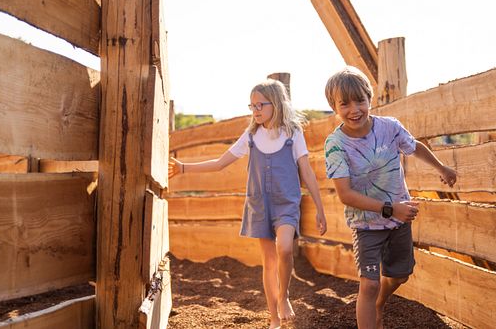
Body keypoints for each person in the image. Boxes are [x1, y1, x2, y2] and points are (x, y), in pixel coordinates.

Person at [169, 79, 327, 329]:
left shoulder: (292, 133)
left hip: (286, 203)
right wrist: (184, 168)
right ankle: (274, 318)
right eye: (251, 105)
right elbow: (221, 163)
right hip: (259, 206)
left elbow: (306, 171)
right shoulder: (252, 135)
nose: (254, 110)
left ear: (275, 103)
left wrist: (320, 208)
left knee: (285, 248)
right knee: (269, 262)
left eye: (259, 105)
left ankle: (284, 296)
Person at [323, 66, 457, 329]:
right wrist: (390, 209)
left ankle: (379, 304)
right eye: (345, 104)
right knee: (369, 284)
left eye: (360, 100)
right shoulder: (336, 144)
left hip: (399, 221)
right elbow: (345, 195)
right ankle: (372, 309)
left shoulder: (389, 127)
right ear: (334, 106)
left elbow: (413, 146)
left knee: (399, 276)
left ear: (369, 99)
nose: (355, 109)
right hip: (366, 225)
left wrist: (441, 167)